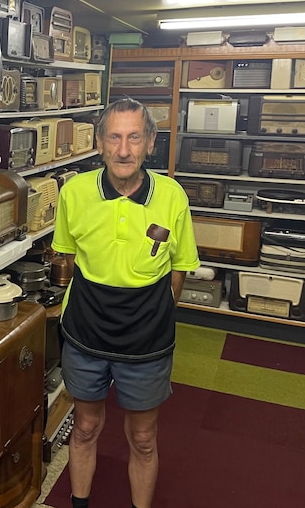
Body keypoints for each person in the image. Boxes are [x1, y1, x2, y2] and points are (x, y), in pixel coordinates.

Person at [50, 98, 200, 508]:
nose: (123, 150)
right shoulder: (75, 193)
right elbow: (66, 255)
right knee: (84, 428)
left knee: (144, 438)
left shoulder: (172, 196)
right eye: (114, 137)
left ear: (149, 142)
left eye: (134, 138)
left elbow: (180, 268)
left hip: (147, 338)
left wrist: (155, 313)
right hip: (85, 331)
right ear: (99, 142)